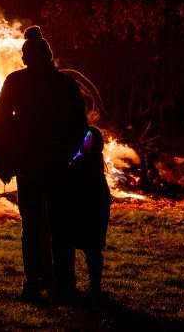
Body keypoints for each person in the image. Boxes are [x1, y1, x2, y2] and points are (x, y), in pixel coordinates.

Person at [0, 26, 87, 302]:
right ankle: (64, 282)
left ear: (28, 57)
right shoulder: (64, 83)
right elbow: (80, 124)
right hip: (56, 162)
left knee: (30, 226)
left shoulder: (16, 81)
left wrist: (5, 151)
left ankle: (33, 281)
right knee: (60, 225)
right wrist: (68, 152)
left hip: (28, 162)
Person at [67, 126, 111, 296]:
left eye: (86, 139)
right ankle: (92, 287)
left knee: (92, 247)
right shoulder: (88, 161)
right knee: (90, 247)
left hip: (91, 207)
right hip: (90, 206)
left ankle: (94, 287)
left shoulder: (86, 164)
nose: (83, 141)